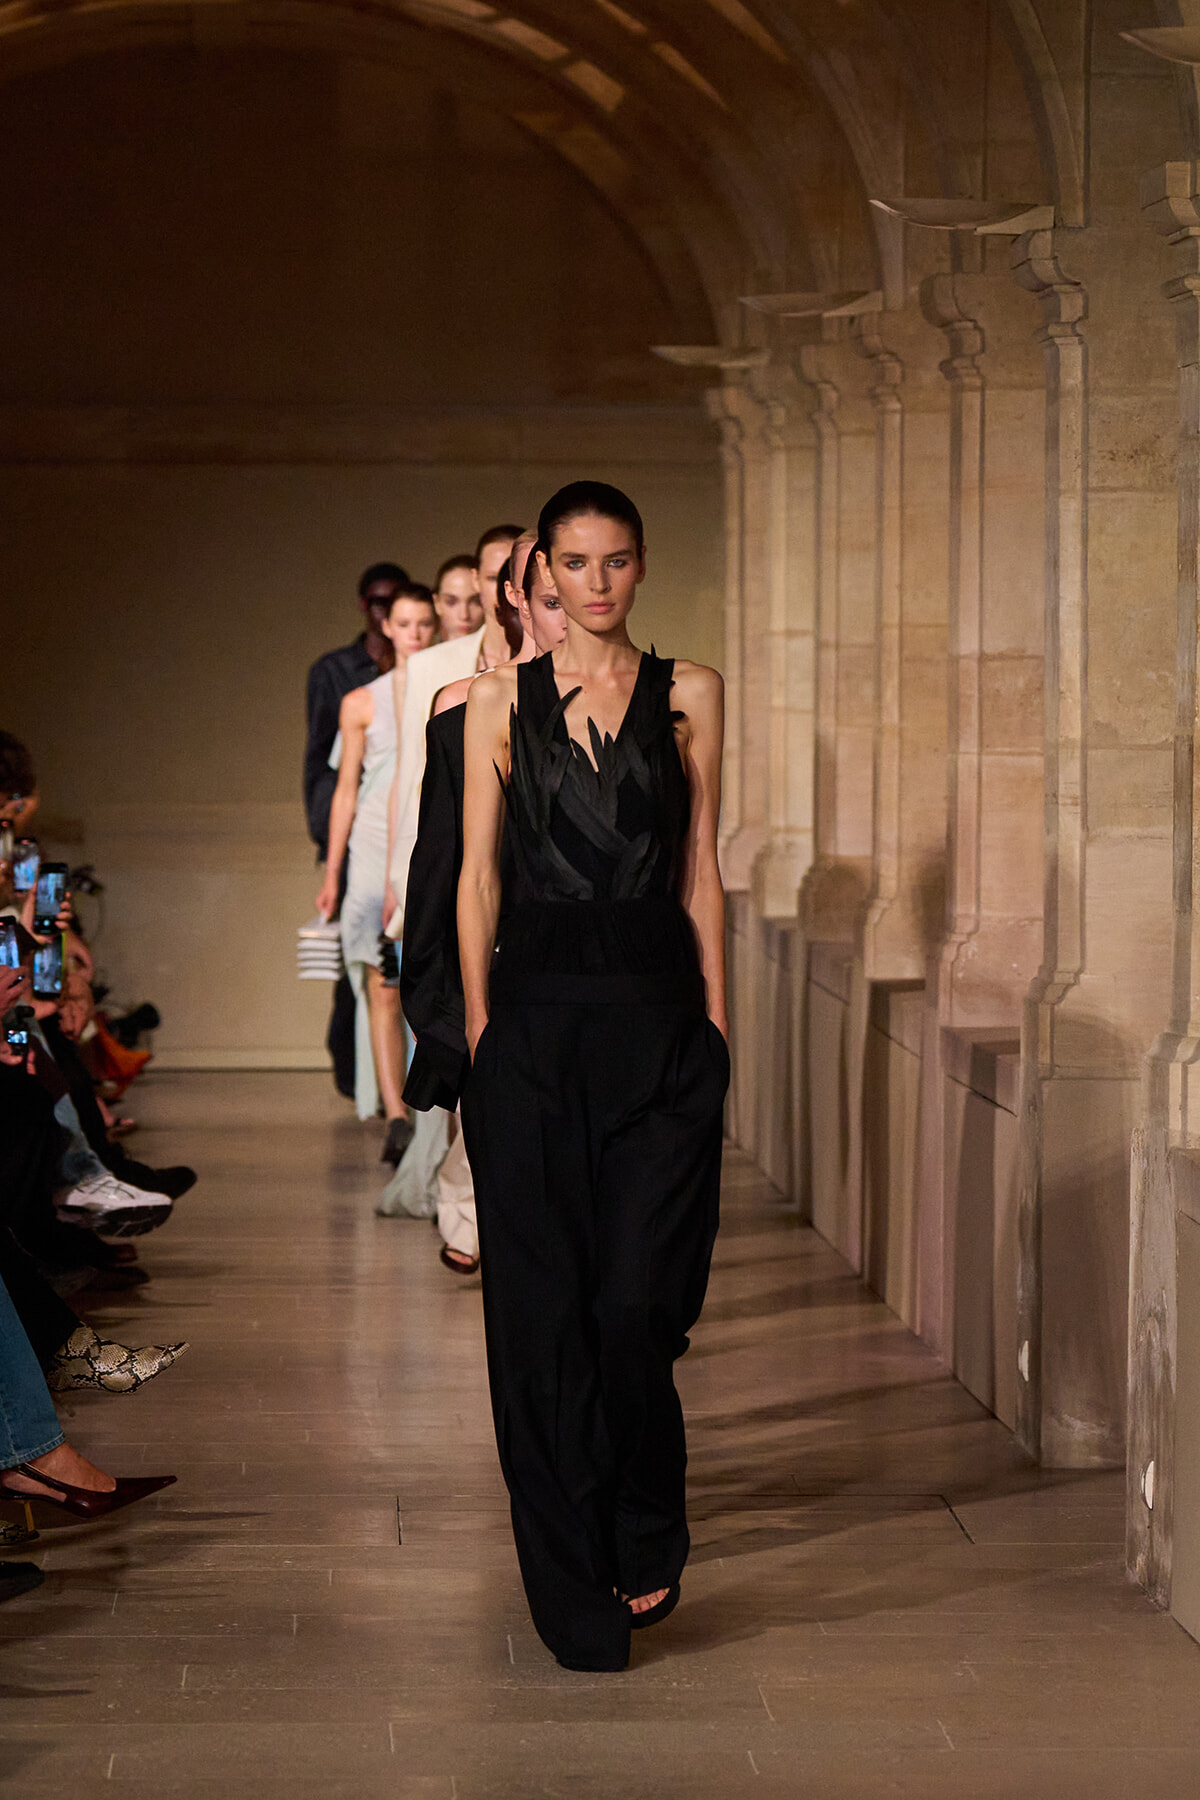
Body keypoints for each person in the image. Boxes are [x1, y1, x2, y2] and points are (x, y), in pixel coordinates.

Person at [458, 481, 728, 1673]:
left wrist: (716, 1028)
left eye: (617, 561)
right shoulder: (491, 707)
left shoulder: (692, 696)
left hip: (659, 1032)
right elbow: (477, 876)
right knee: (543, 1325)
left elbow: (703, 868)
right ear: (545, 578)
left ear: (640, 565)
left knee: (635, 1307)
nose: (598, 582)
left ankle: (644, 1514)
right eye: (575, 563)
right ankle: (574, 1585)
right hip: (533, 1035)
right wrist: (480, 1040)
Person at [401, 536, 567, 1274]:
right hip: (495, 943)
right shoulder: (457, 702)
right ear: (517, 595)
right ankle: (474, 1225)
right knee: (493, 1117)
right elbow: (442, 855)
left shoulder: (639, 702)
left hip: (591, 955)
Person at [375, 525, 524, 1222]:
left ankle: (471, 1206)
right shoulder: (441, 672)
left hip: (529, 902)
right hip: (452, 872)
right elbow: (415, 785)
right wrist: (402, 893)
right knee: (460, 1047)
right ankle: (463, 1205)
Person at [317, 585, 437, 1144]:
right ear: (387, 627)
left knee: (425, 981)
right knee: (381, 982)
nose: (414, 633)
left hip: (424, 843)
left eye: (424, 623)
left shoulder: (451, 690)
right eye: (404, 623)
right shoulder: (362, 700)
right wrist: (332, 872)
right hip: (370, 851)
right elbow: (345, 791)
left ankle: (430, 1108)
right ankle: (396, 1116)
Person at [303, 561, 409, 1098]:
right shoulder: (335, 671)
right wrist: (329, 842)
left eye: (394, 601)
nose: (383, 610)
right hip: (358, 830)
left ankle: (400, 1091)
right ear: (363, 604)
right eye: (375, 600)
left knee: (398, 965)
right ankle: (355, 1076)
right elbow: (322, 761)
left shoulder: (431, 672)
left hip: (408, 831)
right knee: (359, 961)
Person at [432, 555, 484, 641]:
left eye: (476, 602)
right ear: (437, 603)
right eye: (451, 602)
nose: (464, 615)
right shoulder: (425, 655)